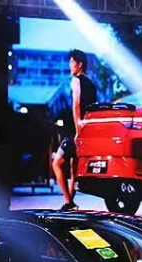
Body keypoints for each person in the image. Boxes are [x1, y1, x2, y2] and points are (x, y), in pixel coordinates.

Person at [52, 49, 98, 211]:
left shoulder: (76, 80)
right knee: (74, 168)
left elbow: (76, 104)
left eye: (72, 62)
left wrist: (78, 129)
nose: (69, 65)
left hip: (76, 129)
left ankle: (68, 202)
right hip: (87, 127)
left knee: (56, 163)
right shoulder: (91, 84)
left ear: (80, 64)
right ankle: (69, 203)